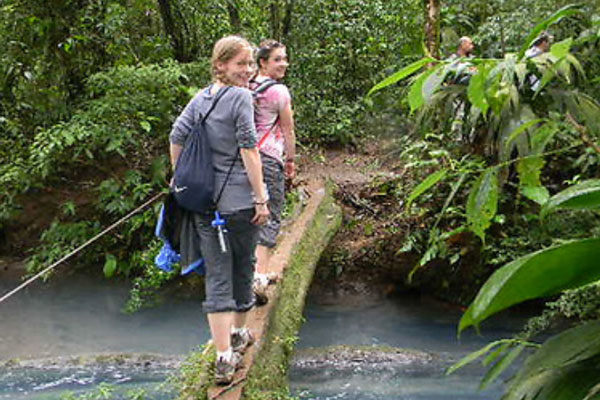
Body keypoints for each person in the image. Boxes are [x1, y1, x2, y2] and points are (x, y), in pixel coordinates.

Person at [169, 35, 269, 385]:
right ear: (220, 65)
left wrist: (183, 179)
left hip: (206, 206)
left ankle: (224, 354)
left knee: (218, 275)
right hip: (241, 204)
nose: (248, 70)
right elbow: (249, 149)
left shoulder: (201, 98)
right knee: (243, 266)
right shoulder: (242, 97)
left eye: (251, 64)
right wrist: (261, 198)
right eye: (241, 63)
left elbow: (176, 136)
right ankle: (236, 340)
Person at [249, 39, 296, 300]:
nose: (284, 64)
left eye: (285, 58)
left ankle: (251, 273)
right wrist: (290, 160)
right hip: (267, 160)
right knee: (269, 215)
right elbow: (288, 129)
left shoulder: (245, 86)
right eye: (277, 59)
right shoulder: (279, 92)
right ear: (263, 62)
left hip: (241, 161)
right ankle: (258, 276)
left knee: (248, 215)